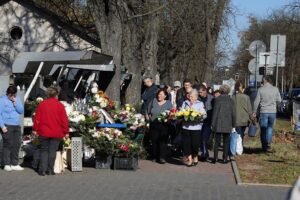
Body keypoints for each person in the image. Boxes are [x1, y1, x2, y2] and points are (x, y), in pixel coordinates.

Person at [33, 87, 69, 176]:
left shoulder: (42, 104)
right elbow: (64, 120)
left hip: (44, 131)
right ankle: (50, 170)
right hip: (56, 132)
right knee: (52, 151)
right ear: (56, 95)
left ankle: (42, 170)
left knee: (44, 151)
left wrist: (35, 129)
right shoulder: (60, 105)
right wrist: (66, 132)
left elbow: (37, 118)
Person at [253, 76, 281, 152]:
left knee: (263, 129)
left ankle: (264, 146)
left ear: (265, 80)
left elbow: (256, 102)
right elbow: (279, 100)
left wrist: (254, 111)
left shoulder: (260, 90)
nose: (262, 81)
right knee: (270, 128)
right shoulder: (275, 89)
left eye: (262, 80)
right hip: (272, 112)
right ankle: (268, 142)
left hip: (264, 111)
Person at [0, 85, 24, 171]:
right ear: (8, 94)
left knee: (17, 144)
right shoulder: (2, 100)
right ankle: (6, 164)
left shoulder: (16, 99)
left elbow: (21, 111)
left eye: (15, 95)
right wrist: (2, 126)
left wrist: (15, 103)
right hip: (7, 125)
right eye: (12, 95)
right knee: (7, 145)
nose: (14, 97)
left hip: (16, 125)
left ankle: (14, 163)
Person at [181, 89, 206, 167]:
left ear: (196, 97)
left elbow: (204, 115)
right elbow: (181, 112)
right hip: (186, 127)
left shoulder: (200, 104)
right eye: (189, 96)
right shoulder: (185, 103)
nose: (190, 98)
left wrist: (198, 116)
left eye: (192, 96)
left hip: (196, 127)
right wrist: (181, 115)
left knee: (195, 144)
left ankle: (195, 155)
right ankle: (190, 159)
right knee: (186, 144)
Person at [147, 89, 172, 164]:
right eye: (158, 94)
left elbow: (172, 113)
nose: (159, 96)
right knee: (154, 140)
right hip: (154, 124)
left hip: (164, 124)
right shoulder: (153, 101)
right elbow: (148, 111)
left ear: (165, 96)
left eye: (161, 94)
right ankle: (154, 156)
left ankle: (162, 157)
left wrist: (169, 119)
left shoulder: (168, 103)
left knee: (163, 141)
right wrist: (149, 118)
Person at [211, 85, 236, 164]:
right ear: (228, 91)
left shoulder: (217, 99)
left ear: (221, 91)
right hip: (228, 123)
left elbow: (215, 112)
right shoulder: (231, 100)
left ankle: (215, 158)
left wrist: (212, 123)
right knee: (226, 141)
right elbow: (233, 114)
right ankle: (224, 158)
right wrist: (233, 124)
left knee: (217, 141)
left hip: (218, 122)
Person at [198, 84, 214, 161]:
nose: (200, 94)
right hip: (200, 121)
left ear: (205, 91)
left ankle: (204, 153)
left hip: (208, 121)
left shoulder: (211, 98)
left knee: (205, 137)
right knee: (201, 138)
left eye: (201, 92)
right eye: (199, 92)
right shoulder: (198, 99)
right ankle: (205, 153)